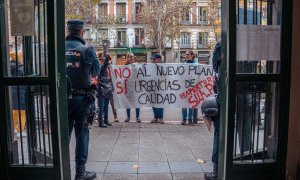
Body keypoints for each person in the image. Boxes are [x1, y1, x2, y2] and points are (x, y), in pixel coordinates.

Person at [66, 19, 100, 180]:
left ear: (67, 31)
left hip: (63, 100)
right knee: (82, 134)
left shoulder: (58, 48)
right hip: (82, 99)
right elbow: (95, 71)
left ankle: (60, 167)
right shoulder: (87, 49)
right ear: (81, 32)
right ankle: (80, 172)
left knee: (64, 133)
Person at [204, 41, 221, 180]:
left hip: (225, 98)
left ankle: (216, 170)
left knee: (219, 134)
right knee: (244, 129)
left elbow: (215, 67)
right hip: (245, 94)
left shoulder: (221, 45)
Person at [10, 51, 27, 138]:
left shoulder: (8, 67)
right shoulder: (22, 68)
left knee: (14, 110)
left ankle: (12, 128)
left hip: (11, 92)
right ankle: (20, 130)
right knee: (22, 111)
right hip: (21, 91)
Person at [97, 51, 113, 128]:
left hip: (107, 86)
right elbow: (100, 72)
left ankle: (106, 120)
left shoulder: (108, 67)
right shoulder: (100, 65)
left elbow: (110, 77)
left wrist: (112, 86)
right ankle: (101, 122)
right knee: (101, 105)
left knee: (106, 105)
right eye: (104, 56)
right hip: (102, 86)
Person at [124, 53, 141, 123]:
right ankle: (128, 117)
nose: (131, 58)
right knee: (128, 103)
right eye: (130, 57)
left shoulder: (136, 65)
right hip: (128, 87)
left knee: (137, 102)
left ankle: (138, 117)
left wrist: (144, 66)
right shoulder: (125, 66)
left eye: (132, 57)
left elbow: (140, 71)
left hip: (135, 86)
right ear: (127, 58)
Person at [181, 50, 197, 126]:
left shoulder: (196, 65)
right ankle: (184, 119)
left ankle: (190, 120)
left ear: (192, 56)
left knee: (192, 104)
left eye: (188, 54)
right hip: (184, 87)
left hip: (193, 87)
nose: (186, 56)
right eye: (185, 54)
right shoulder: (183, 64)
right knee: (184, 104)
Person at [150, 53, 164, 124]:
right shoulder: (151, 66)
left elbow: (165, 75)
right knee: (153, 102)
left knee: (160, 102)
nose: (152, 60)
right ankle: (155, 117)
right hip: (152, 86)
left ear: (158, 59)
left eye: (154, 59)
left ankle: (161, 117)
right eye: (152, 59)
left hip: (161, 87)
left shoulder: (164, 66)